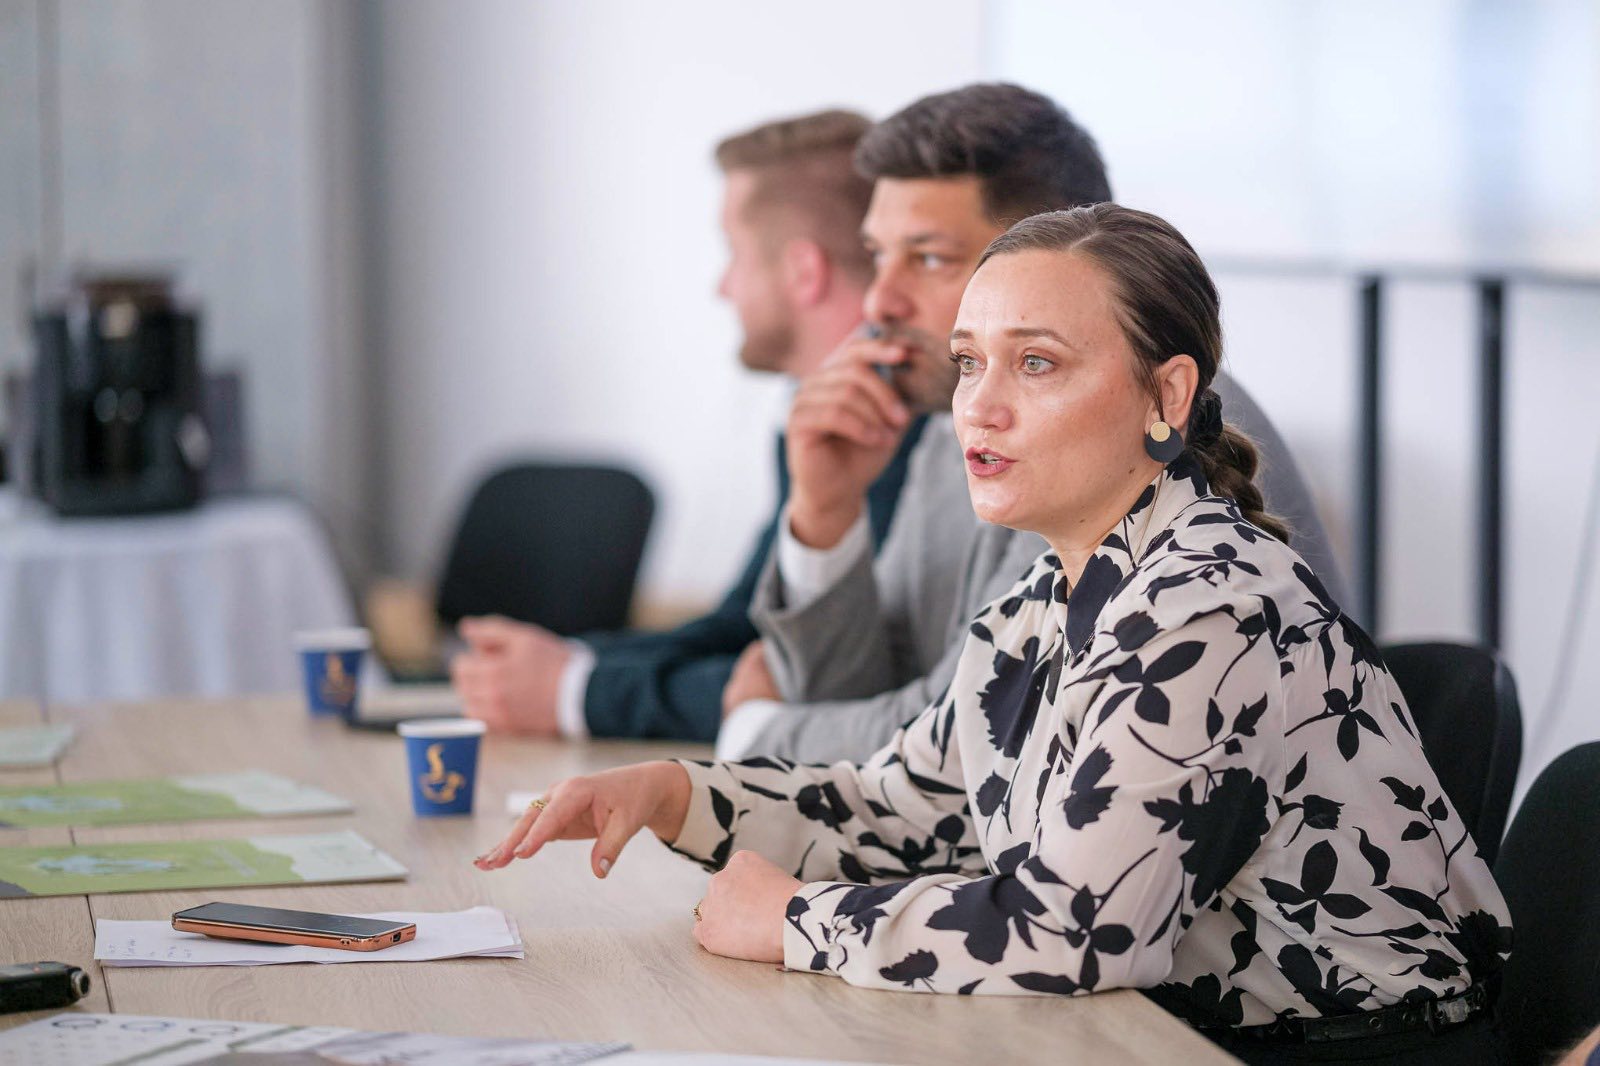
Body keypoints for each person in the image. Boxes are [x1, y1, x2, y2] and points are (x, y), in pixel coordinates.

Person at [477, 204, 1511, 1065]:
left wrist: (797, 920)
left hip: (1350, 1049)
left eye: (1037, 364)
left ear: (1167, 395)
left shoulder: (1210, 604)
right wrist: (675, 792)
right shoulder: (1044, 595)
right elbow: (908, 809)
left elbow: (1073, 934)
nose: (982, 406)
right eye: (969, 364)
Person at [718, 83, 1351, 763]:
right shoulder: (962, 413)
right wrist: (827, 513)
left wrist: (756, 734)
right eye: (878, 255)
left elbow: (979, 752)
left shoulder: (1135, 422)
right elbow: (887, 690)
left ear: (1059, 251)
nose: (879, 299)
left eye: (928, 258)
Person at [450, 110, 927, 742]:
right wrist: (570, 666)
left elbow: (810, 686)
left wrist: (575, 693)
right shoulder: (821, 413)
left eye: (733, 253)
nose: (722, 287)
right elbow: (743, 630)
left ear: (803, 272)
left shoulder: (912, 432)